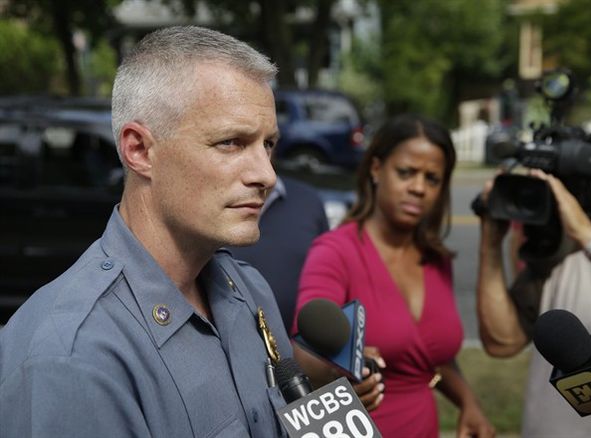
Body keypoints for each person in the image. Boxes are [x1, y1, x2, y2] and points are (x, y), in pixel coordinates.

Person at [0, 26, 292, 437]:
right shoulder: (73, 356)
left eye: (268, 144)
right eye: (230, 143)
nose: (266, 174)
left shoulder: (248, 291)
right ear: (138, 150)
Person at [293, 114, 495, 437]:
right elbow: (305, 352)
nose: (418, 188)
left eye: (432, 179)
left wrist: (468, 401)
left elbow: (430, 358)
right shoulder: (334, 252)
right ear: (376, 169)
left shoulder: (437, 259)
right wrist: (339, 373)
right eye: (406, 173)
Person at [477, 121, 591, 437]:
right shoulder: (567, 255)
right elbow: (502, 343)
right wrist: (490, 244)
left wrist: (586, 233)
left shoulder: (584, 237)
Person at [229, 174, 329, 330]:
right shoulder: (209, 201)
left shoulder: (308, 201)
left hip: (293, 345)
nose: (266, 174)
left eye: (268, 147)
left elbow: (324, 278)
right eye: (231, 147)